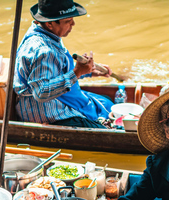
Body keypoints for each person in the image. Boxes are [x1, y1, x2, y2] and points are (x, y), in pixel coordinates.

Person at [13, 0, 114, 128]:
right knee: (103, 130)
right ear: (50, 23)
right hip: (44, 110)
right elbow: (41, 92)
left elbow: (56, 70)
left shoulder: (42, 32)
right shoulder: (44, 51)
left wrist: (88, 72)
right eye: (68, 21)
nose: (73, 24)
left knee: (107, 102)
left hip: (55, 99)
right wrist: (76, 73)